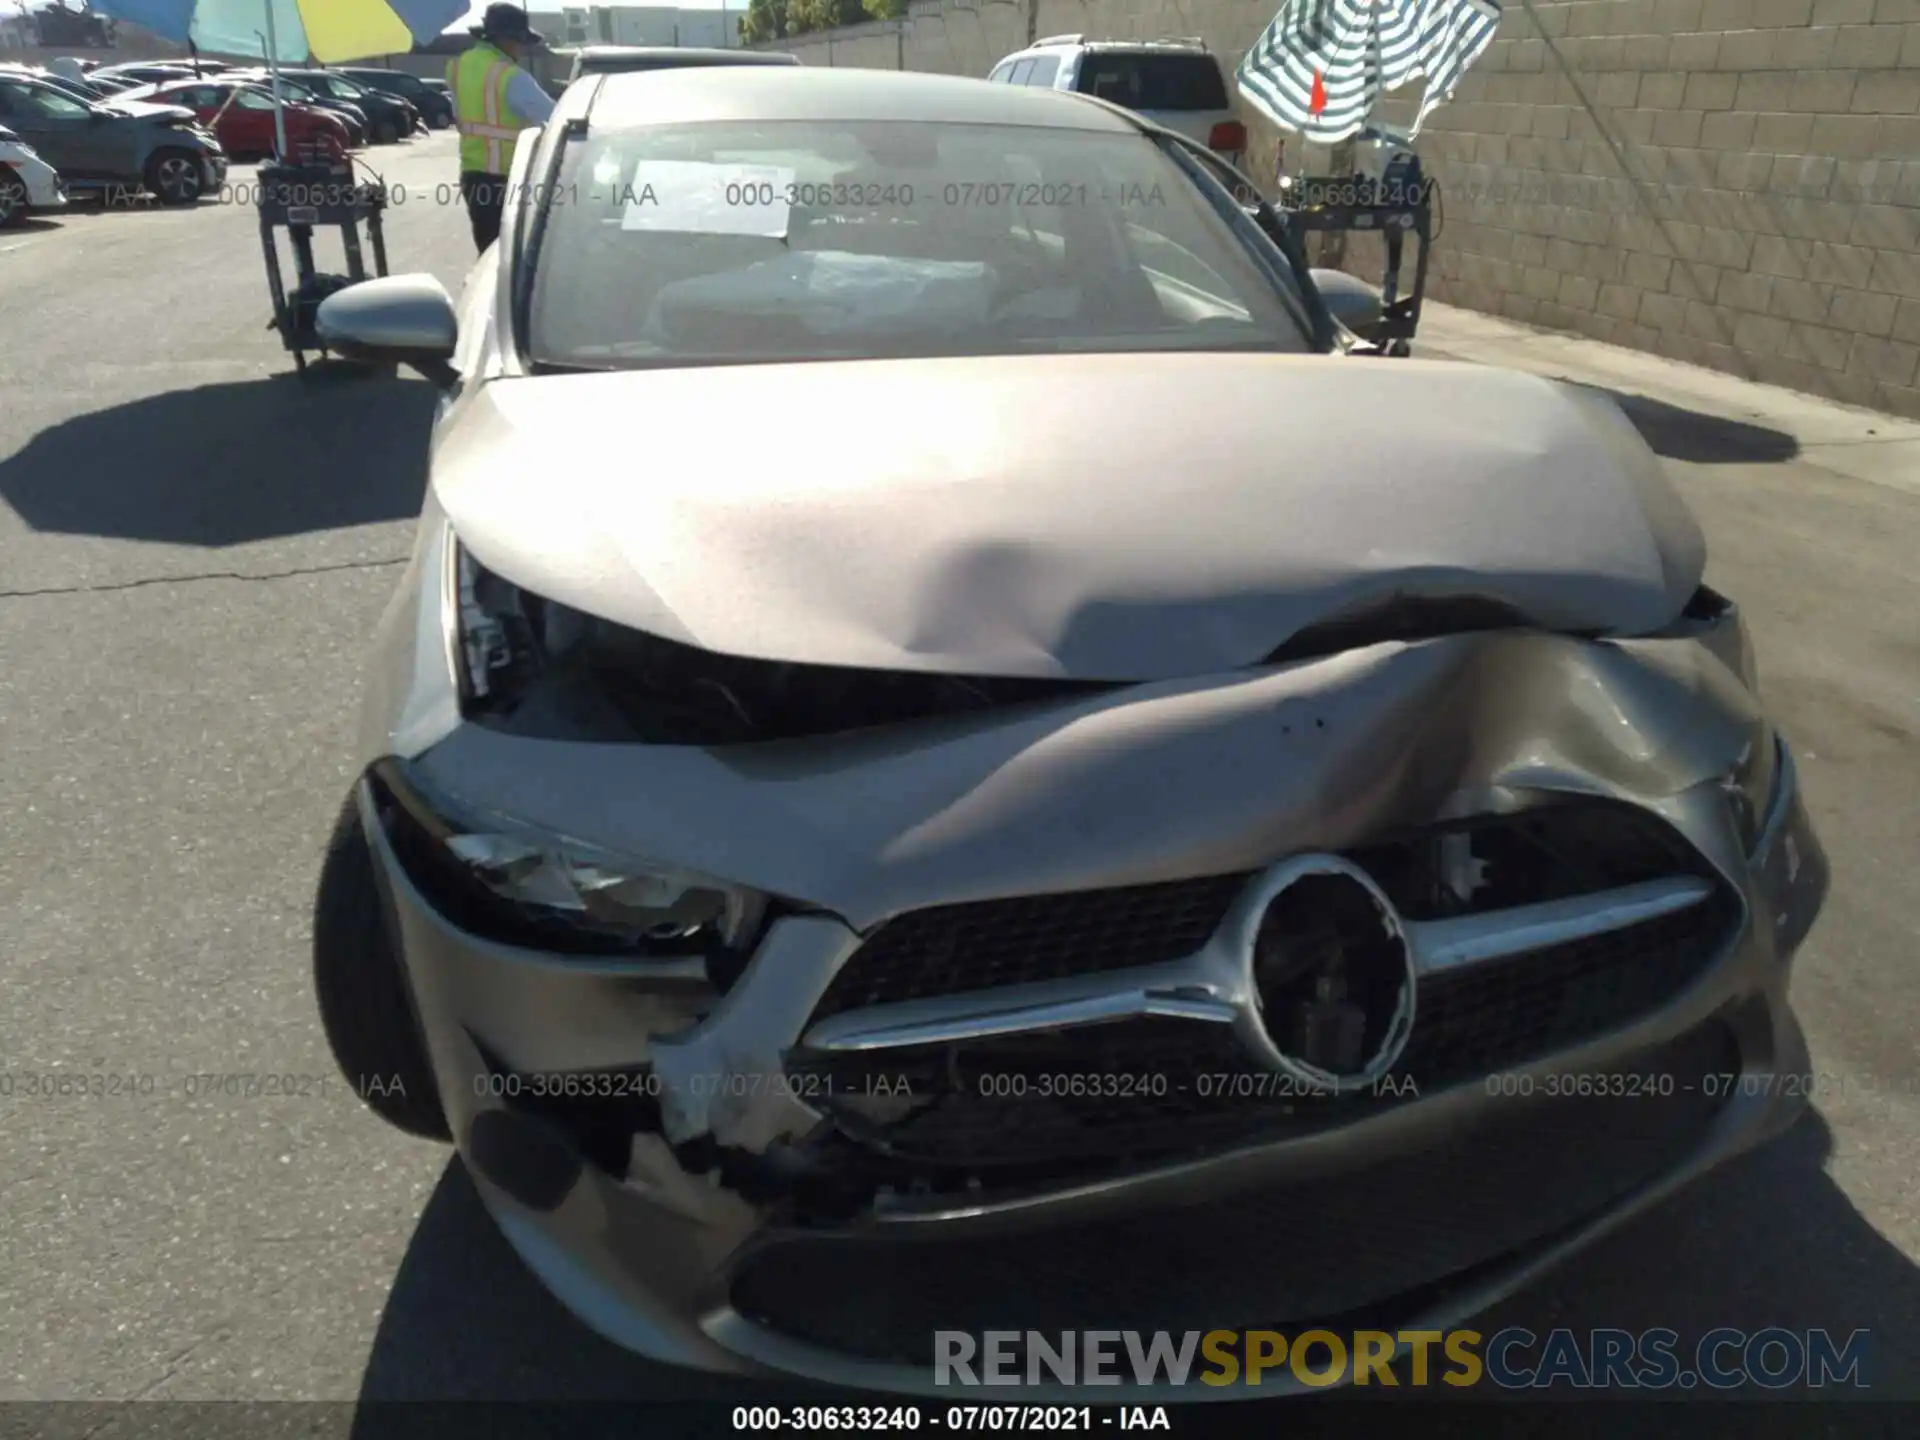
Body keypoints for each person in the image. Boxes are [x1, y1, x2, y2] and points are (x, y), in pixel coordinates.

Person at [449, 2, 556, 254]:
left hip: (472, 176)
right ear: (506, 39)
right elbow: (555, 116)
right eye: (520, 42)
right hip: (507, 178)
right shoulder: (509, 75)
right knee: (515, 257)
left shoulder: (457, 67)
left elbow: (460, 117)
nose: (521, 49)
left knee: (489, 252)